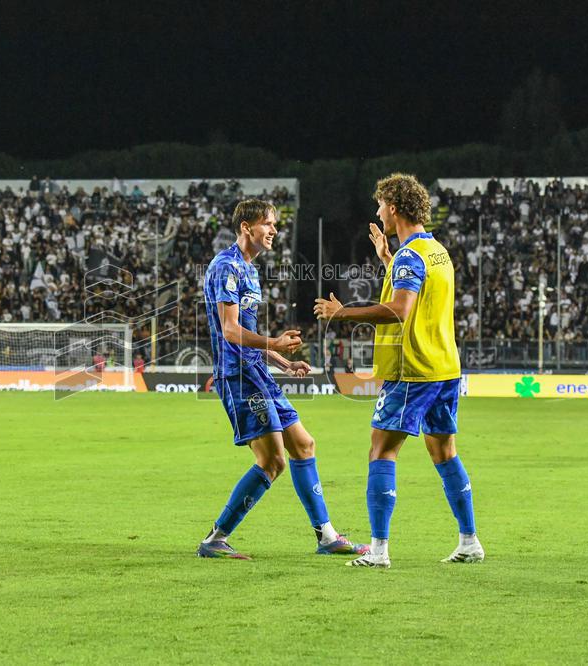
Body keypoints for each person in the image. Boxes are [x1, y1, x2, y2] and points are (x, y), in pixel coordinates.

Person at [314, 173, 482, 568]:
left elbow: (401, 309)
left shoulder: (411, 256)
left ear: (393, 207)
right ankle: (470, 540)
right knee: (444, 452)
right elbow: (416, 292)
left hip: (413, 372)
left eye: (380, 205)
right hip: (444, 368)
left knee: (381, 450)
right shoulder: (436, 250)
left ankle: (378, 550)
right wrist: (387, 259)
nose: (377, 212)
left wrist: (343, 313)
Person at [197, 199, 368, 560]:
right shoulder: (225, 267)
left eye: (275, 224)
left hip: (256, 370)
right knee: (272, 461)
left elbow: (246, 333)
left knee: (304, 445)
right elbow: (230, 331)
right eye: (268, 224)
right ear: (247, 227)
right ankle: (215, 539)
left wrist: (281, 361)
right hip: (238, 376)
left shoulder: (249, 269)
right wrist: (273, 342)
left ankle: (326, 536)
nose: (274, 230)